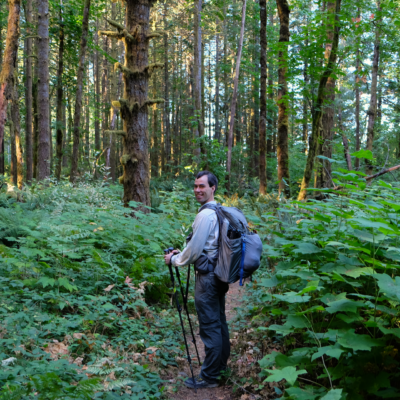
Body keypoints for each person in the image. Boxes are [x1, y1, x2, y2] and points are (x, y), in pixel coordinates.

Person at [164, 171, 230, 389]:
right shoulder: (219, 211)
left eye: (202, 186)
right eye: (195, 186)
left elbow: (193, 252)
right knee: (219, 323)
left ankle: (210, 377)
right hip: (219, 274)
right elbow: (205, 245)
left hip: (208, 279)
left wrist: (174, 260)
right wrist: (181, 253)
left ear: (213, 188)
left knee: (210, 327)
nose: (197, 190)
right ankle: (220, 368)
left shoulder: (206, 215)